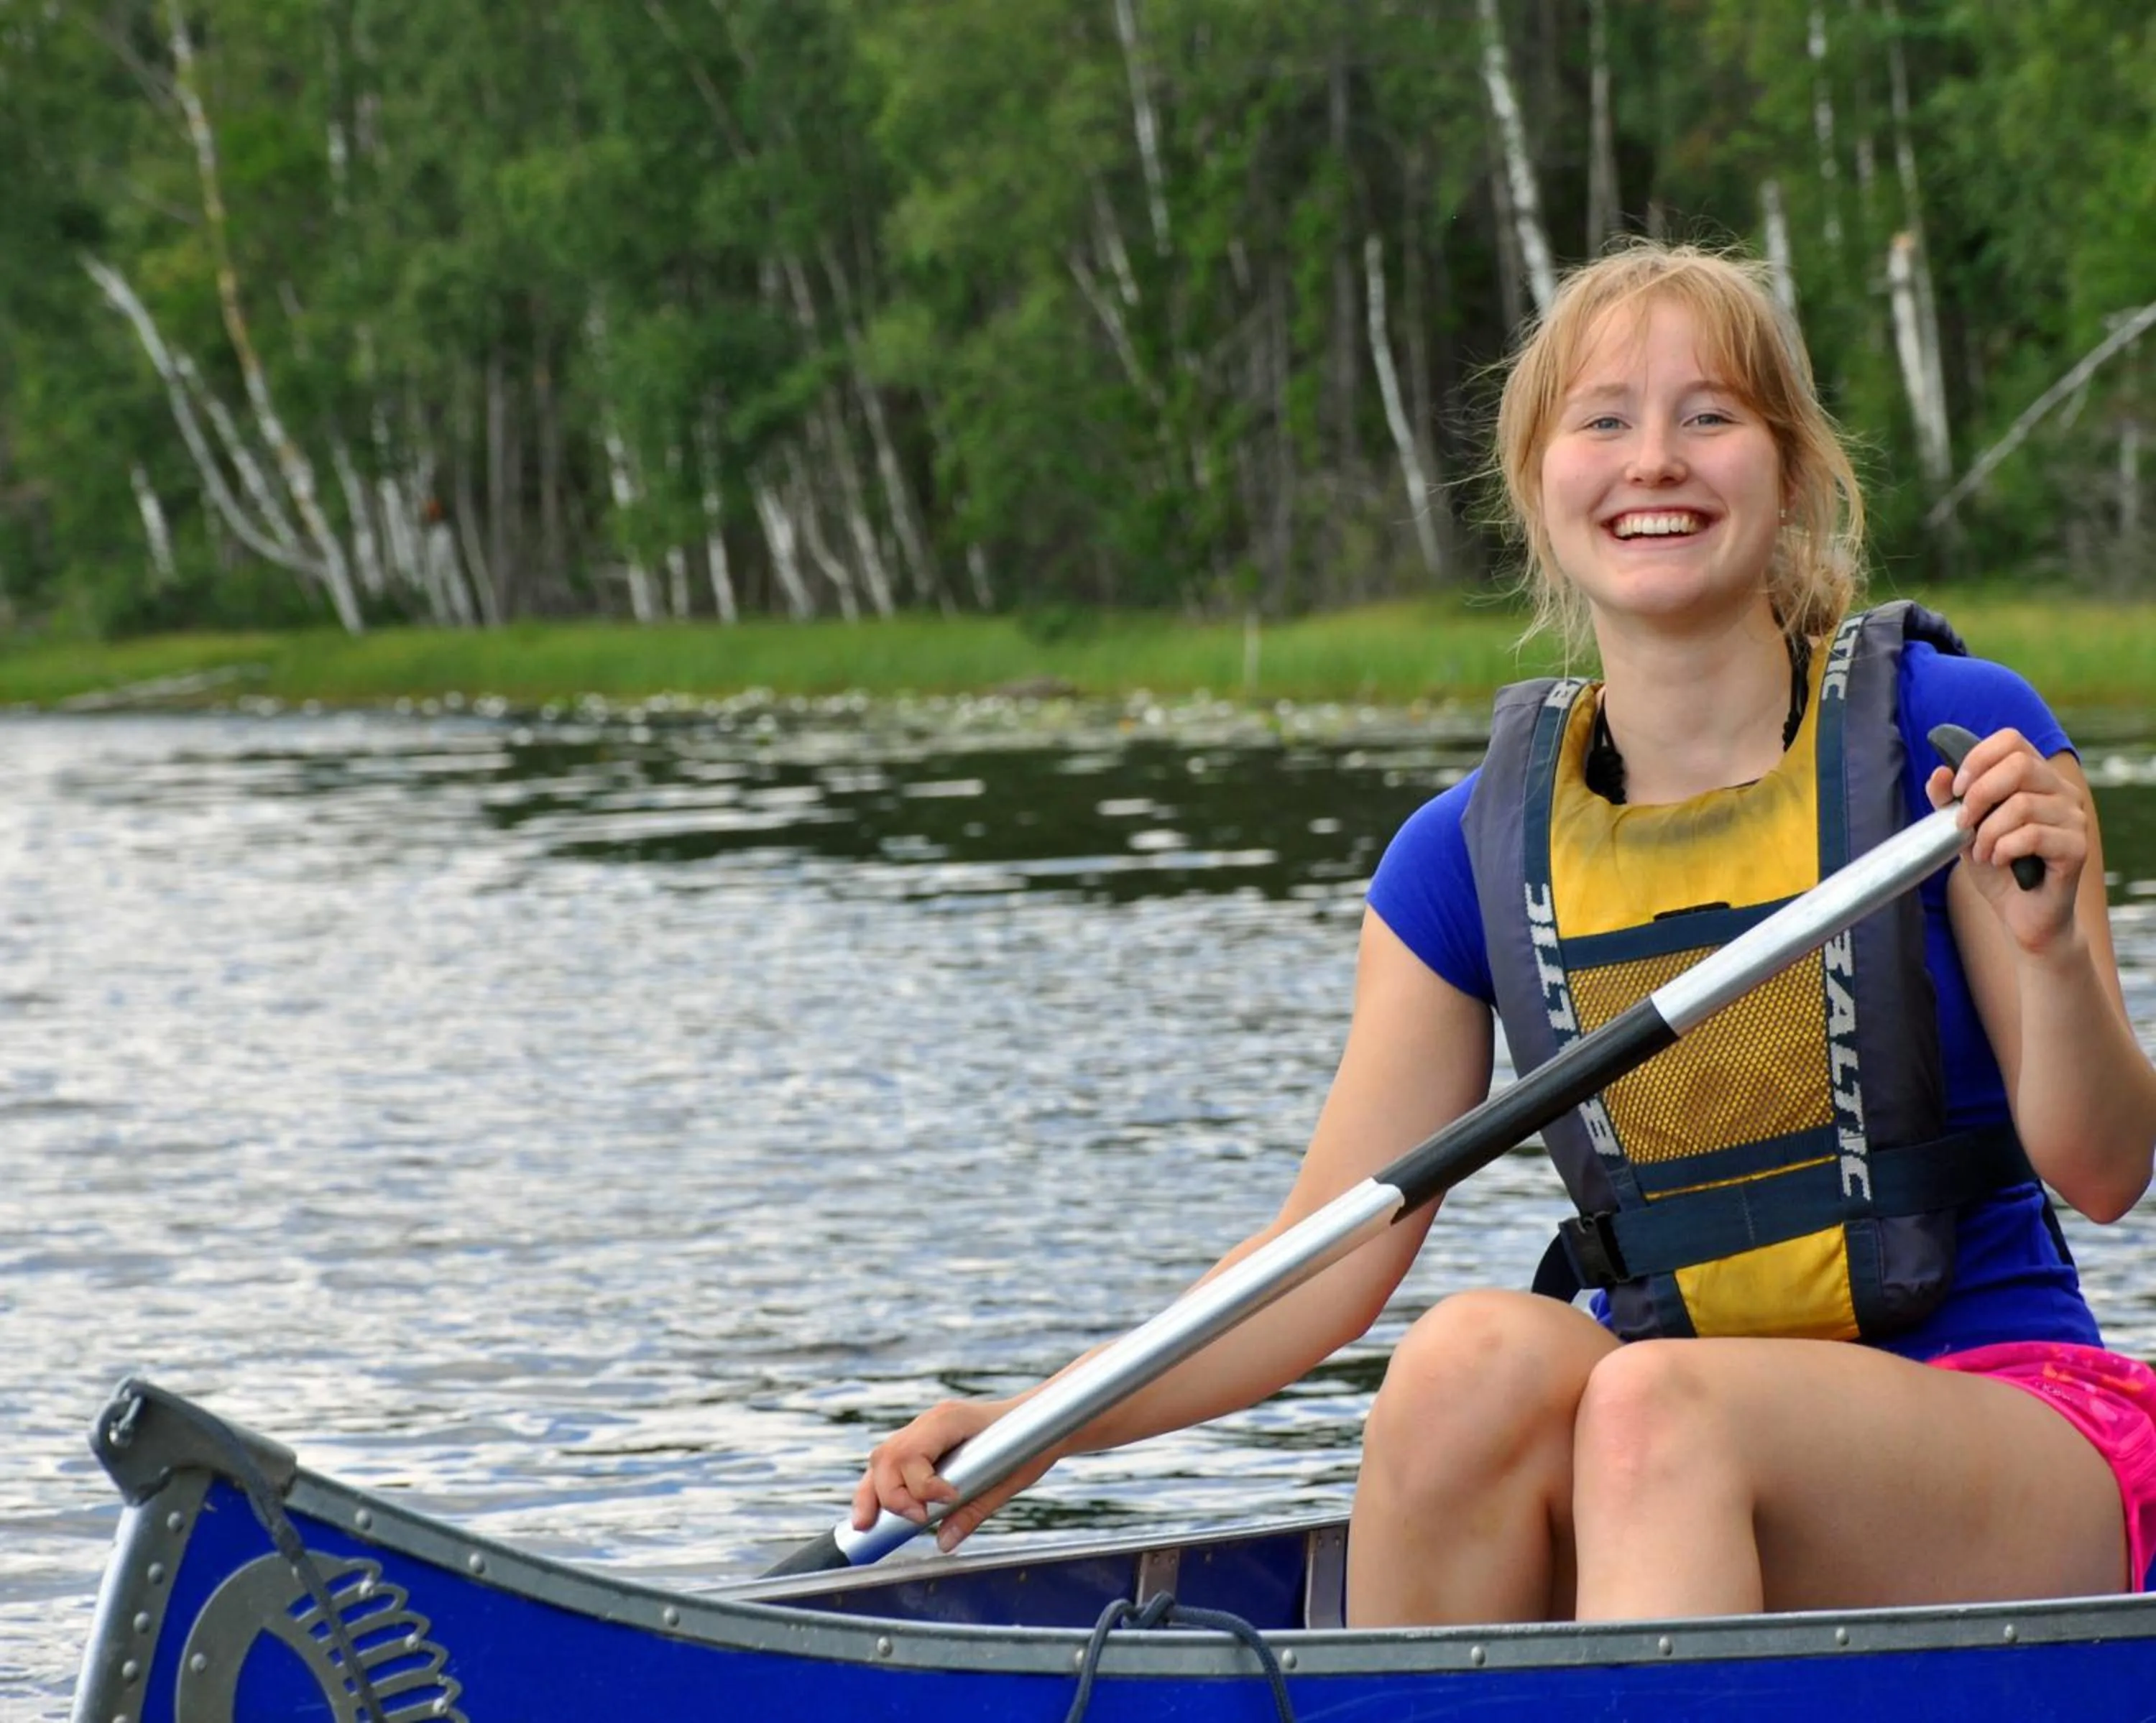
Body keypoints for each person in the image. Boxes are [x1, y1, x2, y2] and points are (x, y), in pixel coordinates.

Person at [852, 240, 2156, 1625]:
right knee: (1464, 1353)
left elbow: (2105, 1166)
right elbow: (1325, 1253)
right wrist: (1044, 1423)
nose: (1654, 458)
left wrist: (2052, 948)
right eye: (1604, 420)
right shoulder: (1460, 858)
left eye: (1709, 415)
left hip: (2009, 1432)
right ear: (1538, 488)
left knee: (1658, 1406)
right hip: (1656, 1448)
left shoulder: (1952, 736)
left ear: (1789, 475)